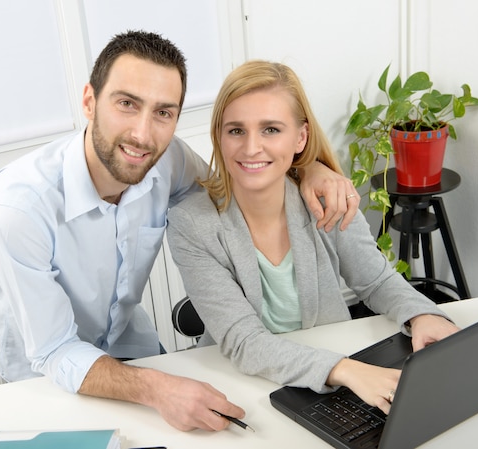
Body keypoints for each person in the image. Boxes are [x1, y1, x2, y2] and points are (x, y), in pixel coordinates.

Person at [0, 31, 359, 431]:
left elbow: (239, 186)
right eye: (126, 104)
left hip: (132, 345)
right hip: (48, 376)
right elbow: (55, 349)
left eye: (163, 112)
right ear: (89, 101)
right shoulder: (15, 211)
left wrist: (310, 167)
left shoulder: (165, 159)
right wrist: (158, 389)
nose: (143, 134)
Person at [166, 60, 460, 415]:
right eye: (236, 131)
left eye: (271, 129)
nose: (251, 148)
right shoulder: (191, 223)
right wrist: (346, 370)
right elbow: (245, 343)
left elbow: (376, 280)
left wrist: (421, 315)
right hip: (247, 387)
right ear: (219, 136)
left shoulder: (326, 197)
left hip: (330, 384)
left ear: (300, 137)